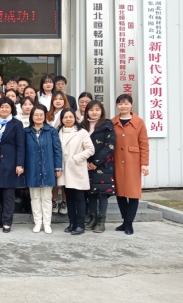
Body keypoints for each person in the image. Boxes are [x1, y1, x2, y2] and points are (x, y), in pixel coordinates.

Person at [0, 97, 25, 233]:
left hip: (10, 163)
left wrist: (20, 164)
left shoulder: (17, 124)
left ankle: (7, 222)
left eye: (7, 107)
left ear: (11, 108)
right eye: (1, 107)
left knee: (8, 195)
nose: (4, 109)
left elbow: (20, 146)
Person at [112, 94, 149, 235]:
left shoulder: (139, 122)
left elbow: (144, 144)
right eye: (120, 104)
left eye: (126, 103)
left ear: (131, 105)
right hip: (117, 161)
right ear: (117, 106)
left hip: (133, 162)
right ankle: (124, 221)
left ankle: (129, 223)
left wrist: (144, 164)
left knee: (133, 193)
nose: (123, 106)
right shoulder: (113, 122)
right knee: (120, 193)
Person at [24, 106, 62, 234]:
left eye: (41, 114)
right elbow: (22, 151)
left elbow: (57, 150)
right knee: (35, 197)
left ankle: (47, 223)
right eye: (36, 115)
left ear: (45, 116)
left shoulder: (51, 131)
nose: (39, 117)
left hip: (48, 168)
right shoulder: (26, 132)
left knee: (46, 197)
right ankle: (37, 223)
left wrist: (58, 167)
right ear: (32, 116)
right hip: (32, 168)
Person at [57, 108, 95, 235]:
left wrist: (76, 158)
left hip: (76, 168)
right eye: (65, 117)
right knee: (69, 198)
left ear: (75, 118)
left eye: (71, 117)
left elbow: (90, 149)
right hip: (64, 169)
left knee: (79, 197)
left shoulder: (81, 132)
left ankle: (80, 225)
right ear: (62, 119)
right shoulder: (58, 131)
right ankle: (72, 223)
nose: (68, 119)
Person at [82, 100, 116, 233]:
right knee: (90, 192)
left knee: (102, 193)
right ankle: (92, 218)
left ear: (102, 111)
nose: (94, 112)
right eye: (91, 110)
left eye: (97, 110)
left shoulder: (107, 126)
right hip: (85, 165)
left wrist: (95, 162)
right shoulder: (82, 126)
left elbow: (110, 147)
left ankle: (101, 221)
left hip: (103, 166)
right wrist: (86, 162)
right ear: (87, 112)